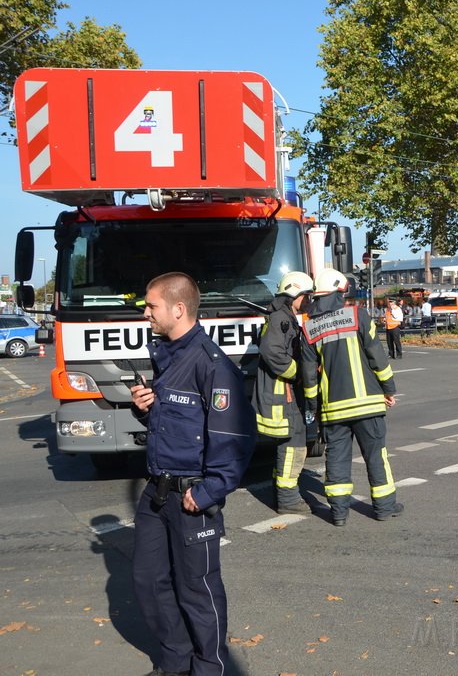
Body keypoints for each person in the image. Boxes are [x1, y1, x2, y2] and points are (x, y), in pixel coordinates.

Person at [129, 272, 255, 676]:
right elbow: (176, 425)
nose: (145, 313)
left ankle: (210, 667)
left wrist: (209, 491)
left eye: (152, 306)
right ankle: (176, 661)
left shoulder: (212, 364)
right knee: (150, 582)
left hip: (191, 497)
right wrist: (146, 407)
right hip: (157, 492)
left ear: (178, 309)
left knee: (197, 590)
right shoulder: (167, 355)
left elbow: (235, 437)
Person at [304, 269, 403, 526]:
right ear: (340, 292)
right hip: (368, 404)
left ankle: (338, 514)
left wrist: (314, 408)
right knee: (376, 456)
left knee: (336, 459)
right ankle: (384, 507)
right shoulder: (358, 315)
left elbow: (309, 377)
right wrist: (388, 389)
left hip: (334, 410)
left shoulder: (309, 327)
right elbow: (377, 357)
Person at [255, 271, 319, 514]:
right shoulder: (280, 318)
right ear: (295, 294)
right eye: (306, 295)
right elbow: (272, 353)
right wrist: (299, 372)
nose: (309, 300)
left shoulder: (283, 316)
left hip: (283, 392)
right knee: (293, 444)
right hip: (283, 393)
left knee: (291, 442)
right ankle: (288, 500)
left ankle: (282, 494)